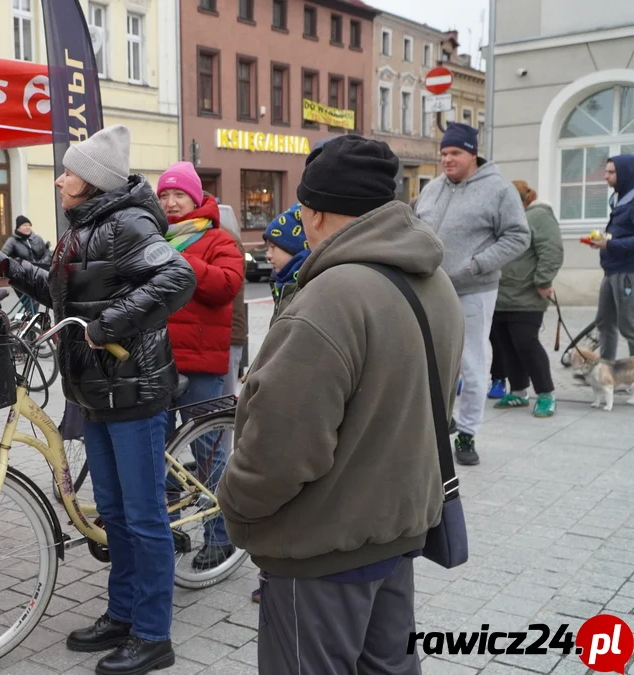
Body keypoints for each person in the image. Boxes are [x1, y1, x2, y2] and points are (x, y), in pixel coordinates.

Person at [219, 135, 464, 674]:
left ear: (319, 213)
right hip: (398, 530)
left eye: (303, 211)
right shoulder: (436, 280)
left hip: (323, 548)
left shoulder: (332, 299)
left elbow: (280, 450)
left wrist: (233, 505)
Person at [0, 125, 195, 675]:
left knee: (144, 519)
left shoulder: (128, 223)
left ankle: (153, 634)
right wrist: (3, 266)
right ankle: (122, 614)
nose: (61, 177)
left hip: (132, 387)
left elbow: (177, 276)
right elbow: (59, 290)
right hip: (95, 390)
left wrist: (108, 324)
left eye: (69, 170)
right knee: (115, 514)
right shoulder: (84, 227)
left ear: (92, 180)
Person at [414, 122, 529, 466]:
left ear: (472, 154)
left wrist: (477, 265)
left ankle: (466, 433)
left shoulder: (498, 190)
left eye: (455, 153)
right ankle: (438, 423)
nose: (447, 159)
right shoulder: (432, 188)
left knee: (471, 362)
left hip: (472, 290)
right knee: (429, 360)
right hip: (428, 288)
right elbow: (413, 222)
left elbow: (518, 237)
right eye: (444, 153)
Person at [155, 161, 243, 571]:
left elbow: (228, 285)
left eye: (178, 195)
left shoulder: (216, 238)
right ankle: (172, 529)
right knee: (161, 454)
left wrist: (181, 261)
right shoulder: (152, 236)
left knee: (208, 453)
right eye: (164, 195)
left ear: (195, 198)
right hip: (156, 363)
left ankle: (221, 537)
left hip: (201, 366)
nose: (171, 202)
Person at [489, 181, 564, 417]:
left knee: (525, 342)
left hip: (527, 294)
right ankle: (518, 391)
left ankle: (545, 394)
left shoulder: (539, 216)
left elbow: (551, 250)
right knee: (506, 344)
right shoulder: (507, 220)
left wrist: (543, 280)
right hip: (500, 294)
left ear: (520, 200)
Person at [587, 155, 634, 360]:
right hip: (611, 269)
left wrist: (610, 244)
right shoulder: (618, 198)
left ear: (625, 173)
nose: (605, 176)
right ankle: (606, 370)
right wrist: (603, 239)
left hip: (627, 271)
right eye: (605, 171)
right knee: (604, 321)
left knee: (629, 326)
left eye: (611, 172)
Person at [263, 203, 311, 321]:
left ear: (293, 247)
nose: (268, 255)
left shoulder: (308, 290)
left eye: (273, 247)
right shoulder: (282, 284)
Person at [2, 215, 53, 314]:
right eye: (24, 225)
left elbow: (47, 253)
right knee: (31, 304)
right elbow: (4, 256)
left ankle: (31, 323)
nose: (27, 227)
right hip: (21, 275)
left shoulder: (37, 238)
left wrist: (40, 263)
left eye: (29, 225)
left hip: (38, 272)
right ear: (18, 227)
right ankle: (30, 324)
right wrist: (18, 262)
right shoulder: (12, 241)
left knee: (38, 302)